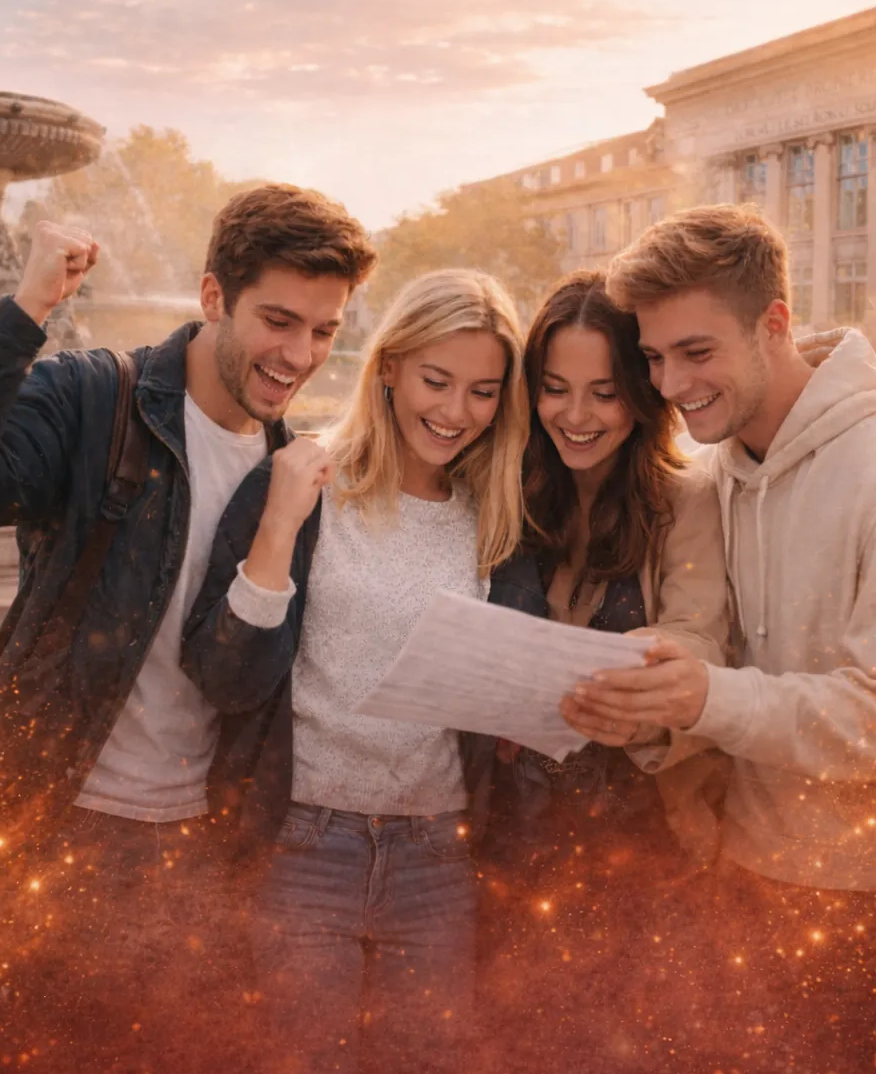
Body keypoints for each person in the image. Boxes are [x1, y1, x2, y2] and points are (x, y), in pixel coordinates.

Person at [0, 184, 376, 1071]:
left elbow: (243, 677)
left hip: (195, 851)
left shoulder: (289, 470)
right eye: (279, 320)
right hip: (48, 824)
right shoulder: (93, 399)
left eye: (325, 330)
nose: (301, 354)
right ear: (213, 296)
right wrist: (27, 308)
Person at [182, 269, 530, 1073]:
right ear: (390, 367)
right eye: (436, 381)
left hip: (439, 855)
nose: (454, 412)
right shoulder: (307, 480)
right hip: (304, 843)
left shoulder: (497, 518)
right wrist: (278, 523)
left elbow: (509, 687)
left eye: (482, 392)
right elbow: (224, 676)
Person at [572, 204, 876, 1070]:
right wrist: (651, 710)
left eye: (695, 352)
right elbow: (718, 659)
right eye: (655, 357)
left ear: (773, 324)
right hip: (742, 879)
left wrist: (705, 696)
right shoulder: (710, 475)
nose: (668, 385)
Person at [480, 272, 729, 1071]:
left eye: (604, 393)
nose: (576, 418)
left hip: (637, 839)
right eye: (554, 390)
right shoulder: (504, 488)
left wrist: (639, 692)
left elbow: (701, 640)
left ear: (643, 394)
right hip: (506, 832)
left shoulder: (683, 499)